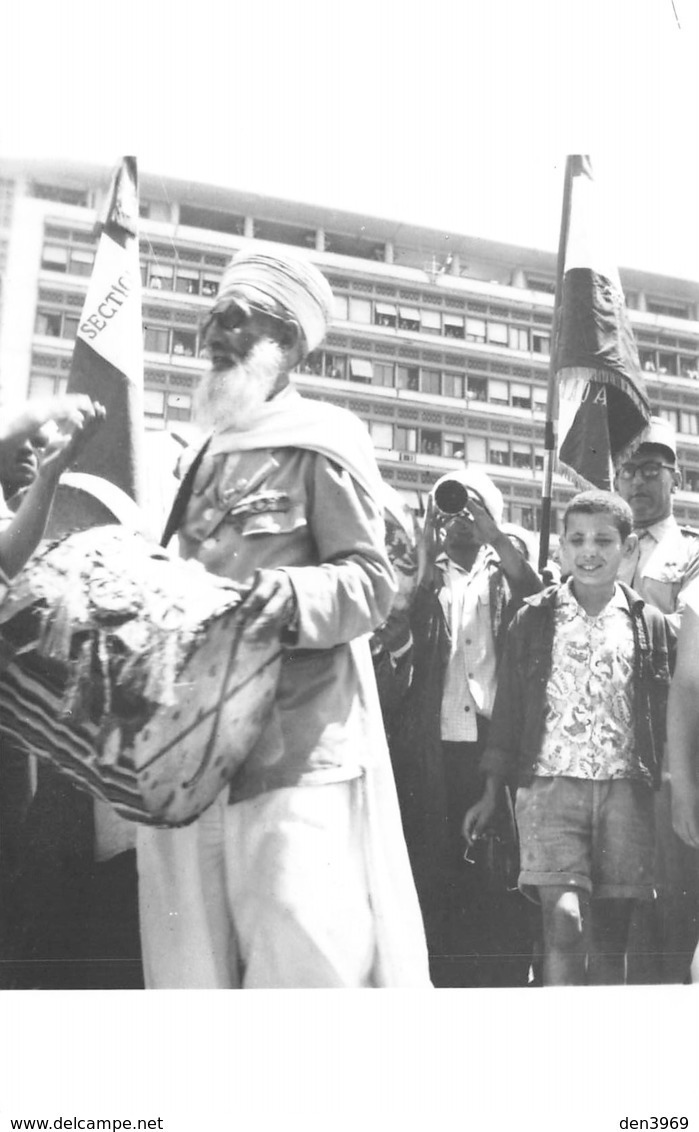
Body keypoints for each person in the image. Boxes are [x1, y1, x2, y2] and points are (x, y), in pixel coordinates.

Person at [135, 248, 430, 989]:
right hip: (189, 758)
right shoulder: (197, 455)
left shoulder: (323, 440)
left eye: (240, 319)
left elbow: (372, 582)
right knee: (190, 978)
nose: (218, 332)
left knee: (303, 965)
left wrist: (288, 596)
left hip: (293, 750)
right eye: (214, 316)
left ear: (290, 342)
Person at [464, 491, 674, 985]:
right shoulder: (534, 617)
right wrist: (493, 789)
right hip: (548, 791)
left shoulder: (651, 624)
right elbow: (511, 712)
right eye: (577, 539)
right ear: (560, 547)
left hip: (626, 793)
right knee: (563, 922)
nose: (589, 551)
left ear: (627, 549)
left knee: (610, 935)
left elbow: (668, 713)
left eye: (604, 540)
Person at [390, 468, 541, 987]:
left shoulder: (506, 573)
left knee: (495, 877)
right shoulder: (424, 576)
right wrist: (423, 554)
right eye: (449, 510)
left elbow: (537, 597)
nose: (459, 522)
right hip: (432, 749)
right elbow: (399, 623)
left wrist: (495, 536)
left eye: (470, 509)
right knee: (435, 871)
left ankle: (494, 980)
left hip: (492, 748)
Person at [615, 416, 699, 983]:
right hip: (609, 751)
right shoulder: (600, 543)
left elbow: (686, 642)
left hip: (668, 752)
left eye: (651, 470)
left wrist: (618, 610)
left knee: (668, 913)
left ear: (676, 475)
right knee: (614, 916)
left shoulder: (690, 551)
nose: (638, 482)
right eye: (628, 471)